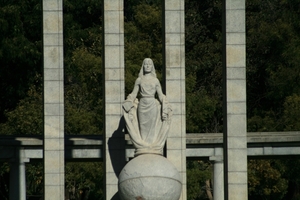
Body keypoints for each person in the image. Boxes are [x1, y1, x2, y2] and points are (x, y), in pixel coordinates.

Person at [123, 58, 172, 156]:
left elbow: (160, 95)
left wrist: (165, 103)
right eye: (145, 64)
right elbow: (133, 94)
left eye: (150, 64)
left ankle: (151, 149)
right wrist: (128, 101)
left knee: (152, 129)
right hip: (142, 105)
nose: (148, 66)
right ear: (143, 66)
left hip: (152, 105)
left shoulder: (155, 80)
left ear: (152, 66)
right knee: (143, 128)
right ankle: (143, 148)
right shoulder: (139, 80)